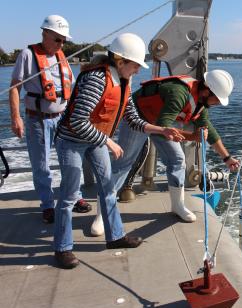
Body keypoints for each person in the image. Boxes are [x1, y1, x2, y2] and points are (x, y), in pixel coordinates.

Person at [53, 33, 184, 269]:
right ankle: (63, 248)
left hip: (95, 141)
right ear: (120, 61)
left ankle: (115, 236)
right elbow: (77, 121)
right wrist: (109, 141)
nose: (137, 70)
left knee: (108, 188)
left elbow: (133, 118)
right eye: (135, 65)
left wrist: (161, 130)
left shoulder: (123, 83)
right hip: (71, 142)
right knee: (69, 196)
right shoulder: (96, 80)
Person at [89, 69, 240, 236]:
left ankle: (177, 205)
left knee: (177, 159)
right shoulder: (179, 93)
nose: (217, 103)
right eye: (217, 100)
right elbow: (164, 127)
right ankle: (101, 214)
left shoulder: (201, 102)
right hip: (139, 119)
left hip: (160, 123)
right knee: (123, 164)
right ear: (206, 90)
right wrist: (192, 137)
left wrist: (227, 158)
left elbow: (208, 131)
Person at [9, 15, 92, 225]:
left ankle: (74, 196)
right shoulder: (27, 55)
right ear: (44, 33)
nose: (61, 44)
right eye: (57, 39)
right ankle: (47, 205)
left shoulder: (61, 56)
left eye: (64, 40)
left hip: (63, 118)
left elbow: (71, 88)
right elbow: (15, 88)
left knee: (70, 160)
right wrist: (16, 117)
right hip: (38, 120)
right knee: (42, 165)